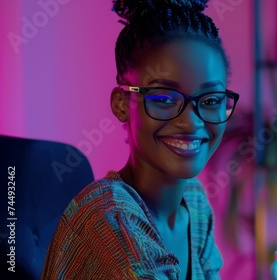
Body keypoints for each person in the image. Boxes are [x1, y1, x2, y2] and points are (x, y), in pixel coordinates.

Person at [41, 0, 239, 279]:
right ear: (122, 104)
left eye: (211, 100)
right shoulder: (111, 218)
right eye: (164, 98)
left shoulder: (194, 204)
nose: (192, 121)